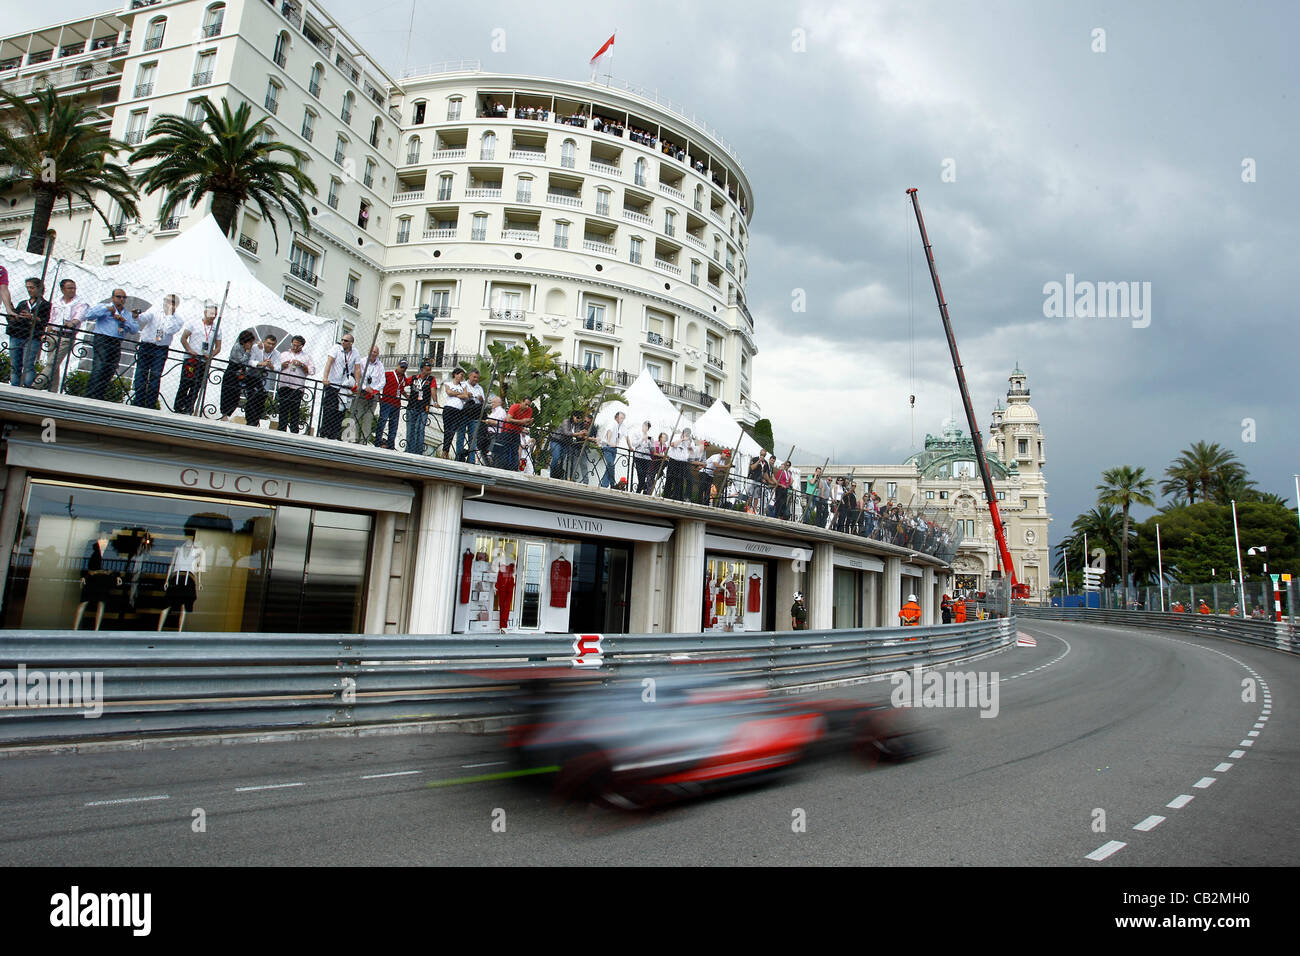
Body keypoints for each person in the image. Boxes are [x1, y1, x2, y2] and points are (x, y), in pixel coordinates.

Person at [84, 289, 139, 401]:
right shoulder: (104, 307)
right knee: (99, 367)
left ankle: (99, 395)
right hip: (103, 339)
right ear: (113, 297)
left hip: (116, 342)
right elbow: (88, 315)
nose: (121, 299)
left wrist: (125, 321)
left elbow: (134, 329)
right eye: (119, 297)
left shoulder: (126, 314)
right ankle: (90, 396)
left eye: (124, 297)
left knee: (110, 369)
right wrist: (105, 309)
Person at [132, 294, 184, 409]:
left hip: (160, 349)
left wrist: (169, 315)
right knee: (141, 373)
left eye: (171, 302)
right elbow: (144, 317)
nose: (168, 304)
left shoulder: (178, 320)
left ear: (176, 305)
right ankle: (138, 402)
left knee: (155, 376)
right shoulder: (155, 309)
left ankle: (150, 405)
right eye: (166, 301)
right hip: (146, 345)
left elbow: (168, 330)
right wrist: (137, 314)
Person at [44, 278, 88, 393]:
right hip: (53, 334)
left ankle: (36, 384)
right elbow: (51, 317)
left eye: (74, 288)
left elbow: (80, 316)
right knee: (54, 364)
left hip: (66, 336)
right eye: (69, 288)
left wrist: (72, 323)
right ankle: (52, 390)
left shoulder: (80, 302)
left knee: (52, 362)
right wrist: (47, 332)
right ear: (63, 289)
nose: (72, 290)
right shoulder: (57, 301)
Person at [175, 302, 220, 415]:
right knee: (185, 383)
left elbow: (218, 347)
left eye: (215, 313)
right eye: (211, 313)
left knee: (197, 386)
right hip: (191, 358)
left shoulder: (217, 329)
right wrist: (189, 350)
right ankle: (178, 407)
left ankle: (189, 408)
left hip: (204, 361)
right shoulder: (193, 323)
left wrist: (211, 355)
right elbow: (184, 338)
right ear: (205, 312)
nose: (213, 316)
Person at [7, 277, 50, 388]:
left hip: (33, 336)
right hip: (17, 334)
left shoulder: (45, 305)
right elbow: (14, 317)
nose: (29, 290)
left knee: (28, 364)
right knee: (15, 364)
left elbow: (45, 321)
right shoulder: (23, 303)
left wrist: (32, 317)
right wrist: (13, 315)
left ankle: (28, 387)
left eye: (32, 287)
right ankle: (14, 385)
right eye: (28, 288)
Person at [319, 333, 358, 440]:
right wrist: (325, 378)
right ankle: (324, 432)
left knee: (340, 410)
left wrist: (358, 384)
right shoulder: (336, 348)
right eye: (342, 340)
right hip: (332, 383)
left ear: (351, 343)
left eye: (346, 341)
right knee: (329, 409)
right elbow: (329, 362)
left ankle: (335, 434)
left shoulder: (355, 352)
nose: (343, 342)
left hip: (344, 385)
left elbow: (357, 368)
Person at [276, 335, 315, 433]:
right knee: (283, 408)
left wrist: (301, 365)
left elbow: (312, 370)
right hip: (284, 384)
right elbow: (275, 367)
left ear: (302, 346)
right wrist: (282, 365)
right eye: (293, 345)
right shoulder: (284, 354)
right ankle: (281, 430)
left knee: (294, 409)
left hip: (297, 387)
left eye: (297, 346)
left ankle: (294, 431)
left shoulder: (306, 357)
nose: (295, 347)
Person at [219, 329, 258, 421]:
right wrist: (248, 352)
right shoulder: (237, 347)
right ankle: (224, 414)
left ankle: (228, 413)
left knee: (236, 395)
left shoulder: (250, 348)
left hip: (241, 373)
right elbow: (242, 360)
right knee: (227, 393)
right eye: (250, 342)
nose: (251, 344)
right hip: (232, 371)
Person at [244, 333, 280, 427]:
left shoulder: (276, 353)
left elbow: (278, 368)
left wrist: (271, 366)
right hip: (253, 377)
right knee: (251, 399)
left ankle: (256, 421)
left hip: (265, 381)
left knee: (260, 402)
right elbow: (250, 361)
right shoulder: (256, 348)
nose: (270, 346)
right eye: (268, 343)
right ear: (264, 342)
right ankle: (250, 421)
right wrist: (261, 363)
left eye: (273, 344)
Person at [352, 345, 386, 444]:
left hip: (373, 395)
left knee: (368, 418)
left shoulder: (380, 365)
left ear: (377, 354)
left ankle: (364, 441)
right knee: (356, 415)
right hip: (361, 392)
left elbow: (382, 381)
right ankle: (352, 439)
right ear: (368, 351)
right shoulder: (362, 362)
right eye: (372, 351)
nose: (373, 353)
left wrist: (374, 390)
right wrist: (364, 387)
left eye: (375, 352)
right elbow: (357, 375)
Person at [404, 358, 436, 455]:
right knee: (410, 429)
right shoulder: (413, 378)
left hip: (423, 408)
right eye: (426, 370)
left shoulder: (431, 379)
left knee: (420, 429)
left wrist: (436, 401)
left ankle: (418, 451)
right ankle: (408, 450)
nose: (428, 372)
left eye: (429, 370)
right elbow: (402, 385)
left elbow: (433, 390)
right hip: (412, 406)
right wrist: (406, 396)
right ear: (422, 369)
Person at [377, 359, 409, 448]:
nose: (403, 369)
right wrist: (379, 396)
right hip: (386, 402)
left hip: (396, 404)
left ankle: (391, 444)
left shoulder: (403, 378)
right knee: (382, 422)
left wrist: (407, 397)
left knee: (394, 425)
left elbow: (401, 389)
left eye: (405, 368)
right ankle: (378, 441)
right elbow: (380, 383)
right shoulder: (388, 374)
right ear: (398, 366)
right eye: (402, 367)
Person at [457, 368, 485, 461]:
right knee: (460, 436)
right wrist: (466, 395)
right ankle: (459, 457)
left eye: (477, 377)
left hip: (474, 414)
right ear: (469, 376)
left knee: (473, 438)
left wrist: (481, 399)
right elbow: (459, 396)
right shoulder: (463, 385)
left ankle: (471, 459)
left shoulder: (479, 388)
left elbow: (483, 402)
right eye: (474, 377)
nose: (476, 379)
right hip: (464, 413)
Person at [498, 396, 533, 471]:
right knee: (505, 450)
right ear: (522, 402)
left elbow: (525, 423)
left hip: (516, 432)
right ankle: (503, 467)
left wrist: (529, 422)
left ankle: (514, 468)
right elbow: (508, 419)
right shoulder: (514, 407)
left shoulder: (529, 410)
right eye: (526, 404)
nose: (527, 407)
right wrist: (521, 421)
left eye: (528, 405)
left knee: (515, 451)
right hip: (507, 430)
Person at [440, 366, 467, 458]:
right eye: (461, 375)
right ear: (455, 375)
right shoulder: (448, 383)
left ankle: (445, 451)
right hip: (448, 409)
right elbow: (449, 392)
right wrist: (460, 394)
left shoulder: (463, 385)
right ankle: (445, 451)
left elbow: (466, 396)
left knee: (452, 431)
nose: (462, 377)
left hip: (458, 410)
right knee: (447, 430)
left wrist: (456, 394)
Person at [599, 411, 627, 488]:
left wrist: (616, 443)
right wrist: (608, 441)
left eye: (623, 419)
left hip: (613, 448)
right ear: (616, 417)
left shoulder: (619, 427)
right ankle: (612, 483)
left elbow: (618, 437)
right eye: (621, 418)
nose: (622, 420)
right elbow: (609, 431)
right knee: (611, 465)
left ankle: (604, 484)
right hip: (608, 447)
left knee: (609, 466)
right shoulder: (613, 423)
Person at [629, 420, 654, 494]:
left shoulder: (650, 437)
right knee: (640, 475)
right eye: (646, 426)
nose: (646, 428)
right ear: (643, 426)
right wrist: (642, 439)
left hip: (647, 458)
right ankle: (639, 491)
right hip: (638, 457)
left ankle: (638, 492)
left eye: (648, 427)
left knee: (645, 475)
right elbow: (634, 444)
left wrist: (652, 442)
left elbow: (652, 449)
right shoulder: (636, 433)